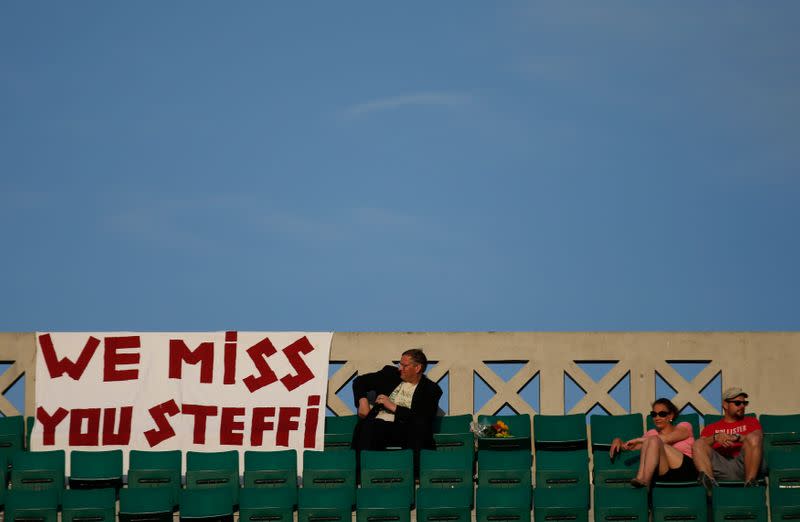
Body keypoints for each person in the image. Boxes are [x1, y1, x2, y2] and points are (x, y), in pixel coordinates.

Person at [350, 348, 442, 474]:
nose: (400, 368)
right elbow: (359, 381)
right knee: (368, 426)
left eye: (404, 366)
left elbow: (422, 418)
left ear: (417, 368)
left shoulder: (431, 390)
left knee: (419, 430)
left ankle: (413, 477)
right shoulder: (390, 375)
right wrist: (362, 400)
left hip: (407, 428)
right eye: (400, 364)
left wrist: (393, 406)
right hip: (379, 424)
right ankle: (364, 475)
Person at [609, 398, 696, 488]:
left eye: (662, 414)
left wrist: (643, 440)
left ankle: (643, 480)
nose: (657, 418)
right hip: (665, 473)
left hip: (687, 470)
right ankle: (643, 482)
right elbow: (630, 447)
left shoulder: (684, 426)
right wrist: (618, 440)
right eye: (654, 414)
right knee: (651, 441)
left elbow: (667, 438)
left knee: (653, 440)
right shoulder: (651, 433)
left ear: (671, 416)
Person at [693, 387, 764, 491]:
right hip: (720, 466)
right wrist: (715, 437)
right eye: (737, 403)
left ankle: (750, 485)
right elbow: (700, 445)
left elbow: (759, 437)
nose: (742, 406)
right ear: (725, 405)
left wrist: (737, 437)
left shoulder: (751, 421)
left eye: (745, 403)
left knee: (753, 438)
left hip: (744, 464)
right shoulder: (711, 428)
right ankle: (709, 488)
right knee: (698, 443)